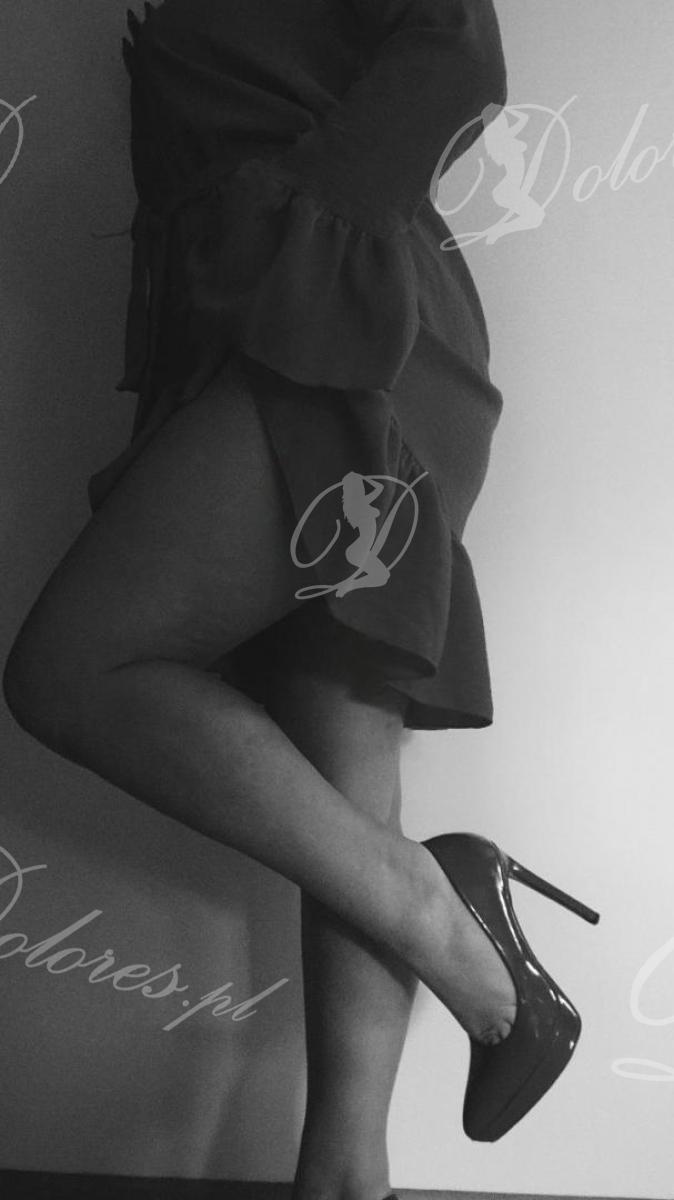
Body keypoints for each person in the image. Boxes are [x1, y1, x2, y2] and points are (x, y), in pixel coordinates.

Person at [2, 2, 600, 1196]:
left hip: (339, 330)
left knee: (74, 670)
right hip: (293, 333)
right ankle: (345, 1180)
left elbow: (456, 49)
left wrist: (293, 245)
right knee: (342, 795)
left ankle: (440, 911)